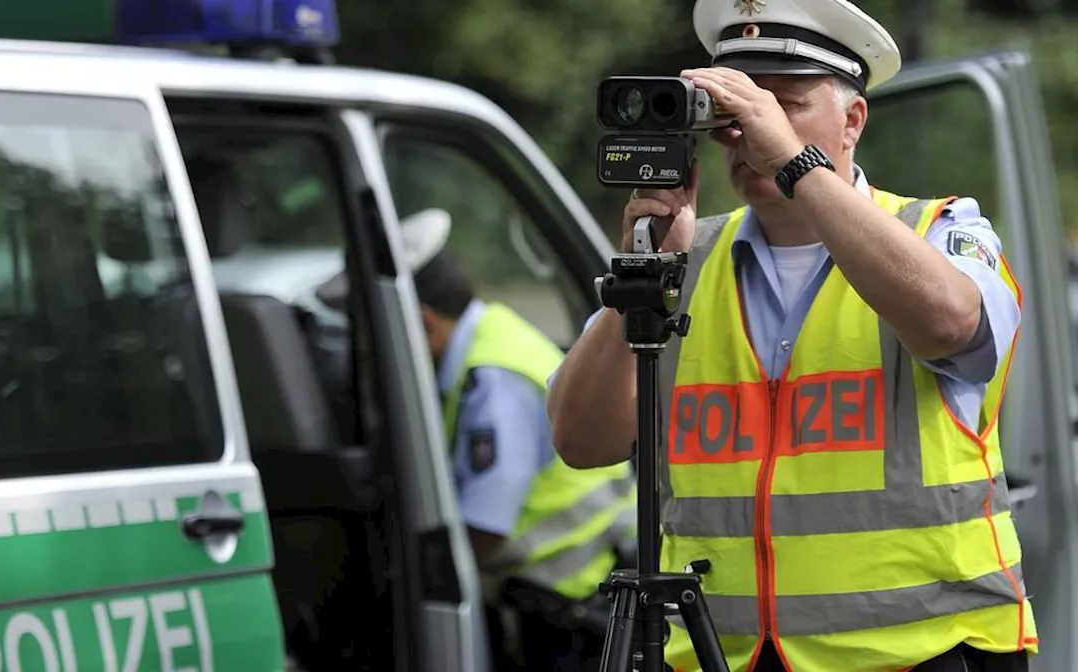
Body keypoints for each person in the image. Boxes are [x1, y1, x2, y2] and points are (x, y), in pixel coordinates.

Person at [547, 1, 1036, 671]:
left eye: (785, 104)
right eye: (740, 110)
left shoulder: (941, 231)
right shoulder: (685, 261)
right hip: (730, 654)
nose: (751, 130)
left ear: (852, 120)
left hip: (922, 651)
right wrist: (643, 275)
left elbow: (955, 326)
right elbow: (581, 440)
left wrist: (796, 166)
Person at [397, 207, 636, 672]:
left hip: (573, 606)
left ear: (425, 324)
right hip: (572, 593)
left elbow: (487, 524)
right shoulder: (491, 333)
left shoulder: (492, 380)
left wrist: (404, 576)